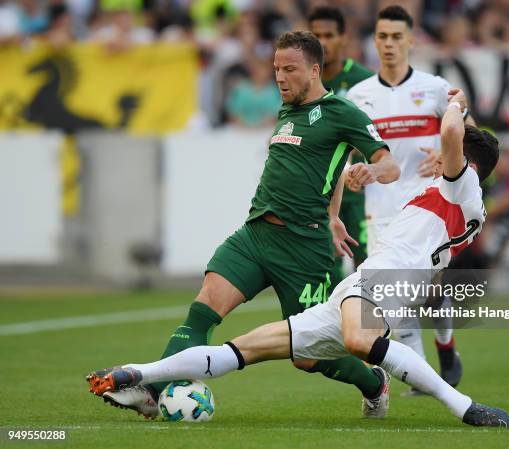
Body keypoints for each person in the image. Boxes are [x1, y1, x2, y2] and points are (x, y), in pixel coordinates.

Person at [87, 88, 509, 428]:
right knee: (246, 349)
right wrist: (338, 206)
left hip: (388, 280)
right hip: (365, 282)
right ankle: (135, 373)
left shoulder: (465, 188)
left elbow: (453, 134)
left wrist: (456, 103)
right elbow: (428, 153)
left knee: (358, 341)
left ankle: (465, 407)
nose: (437, 158)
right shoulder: (450, 194)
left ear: (468, 164)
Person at [94, 30, 400, 419]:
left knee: (308, 357)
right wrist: (334, 213)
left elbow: (390, 164)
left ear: (314, 69)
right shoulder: (287, 110)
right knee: (204, 309)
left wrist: (370, 171)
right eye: (276, 69)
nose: (280, 77)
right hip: (255, 235)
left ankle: (374, 382)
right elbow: (323, 169)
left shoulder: (342, 111)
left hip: (304, 249)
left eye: (289, 69)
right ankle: (151, 392)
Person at [347, 4, 476, 394]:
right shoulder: (358, 96)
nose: (389, 44)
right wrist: (351, 173)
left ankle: (447, 346)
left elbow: (470, 130)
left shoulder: (435, 88)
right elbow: (349, 152)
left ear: (410, 40)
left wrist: (448, 153)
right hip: (381, 211)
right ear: (375, 40)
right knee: (395, 299)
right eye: (382, 37)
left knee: (432, 288)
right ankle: (424, 375)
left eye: (396, 37)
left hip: (428, 206)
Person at [308, 6, 374, 288]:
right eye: (316, 35)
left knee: (367, 262)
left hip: (358, 190)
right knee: (323, 263)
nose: (323, 42)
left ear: (343, 38)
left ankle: (372, 326)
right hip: (318, 190)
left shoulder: (365, 81)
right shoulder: (305, 82)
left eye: (329, 35)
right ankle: (331, 324)